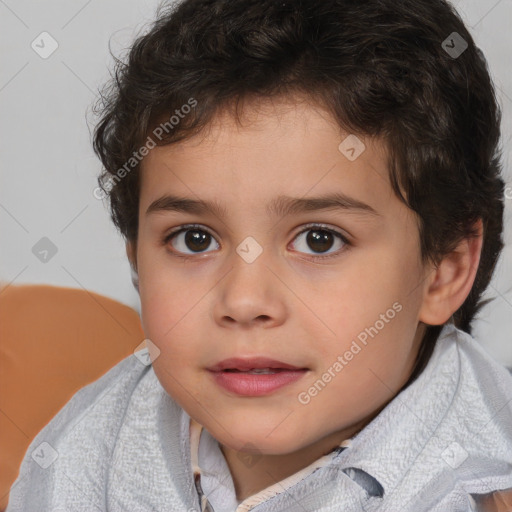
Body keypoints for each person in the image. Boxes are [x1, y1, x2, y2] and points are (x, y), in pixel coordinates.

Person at [7, 0, 512, 510]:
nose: (245, 301)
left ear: (444, 271)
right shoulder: (91, 438)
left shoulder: (474, 490)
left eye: (319, 240)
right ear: (137, 259)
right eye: (194, 239)